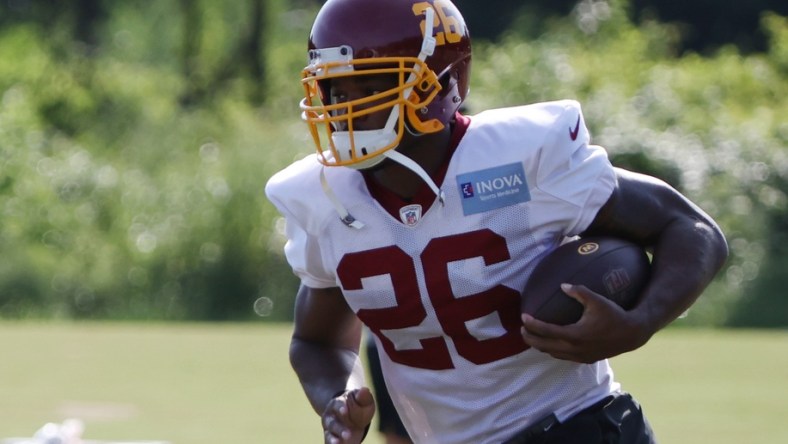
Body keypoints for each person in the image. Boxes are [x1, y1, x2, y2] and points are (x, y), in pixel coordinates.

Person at [265, 0, 728, 443]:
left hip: (576, 427)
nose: (347, 110)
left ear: (442, 80)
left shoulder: (519, 159)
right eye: (336, 91)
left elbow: (691, 229)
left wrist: (640, 321)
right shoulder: (323, 197)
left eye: (371, 89)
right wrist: (338, 399)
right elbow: (316, 341)